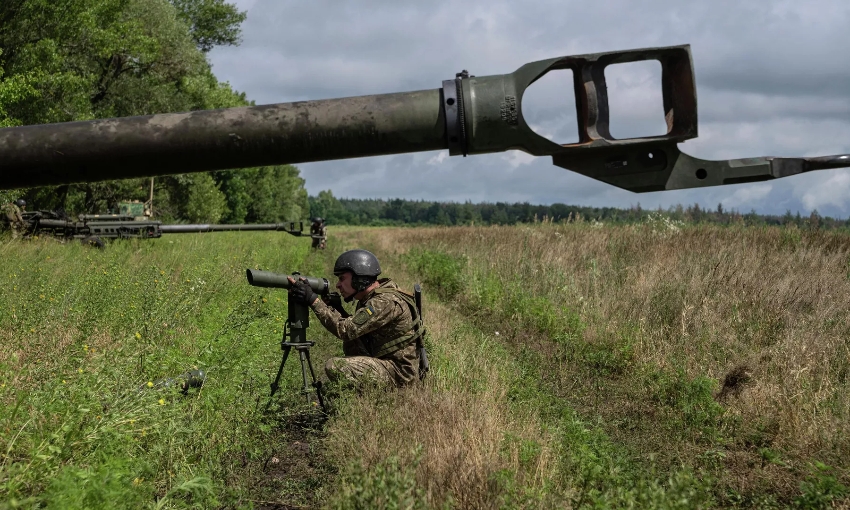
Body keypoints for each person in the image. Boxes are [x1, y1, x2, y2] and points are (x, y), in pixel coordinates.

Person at [287, 249, 424, 388]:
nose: (338, 285)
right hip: (387, 362)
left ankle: (374, 394)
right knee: (352, 342)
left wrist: (313, 300)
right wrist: (337, 308)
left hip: (399, 373)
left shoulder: (383, 302)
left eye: (342, 278)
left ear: (359, 279)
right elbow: (356, 327)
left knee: (335, 366)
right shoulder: (371, 298)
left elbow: (346, 330)